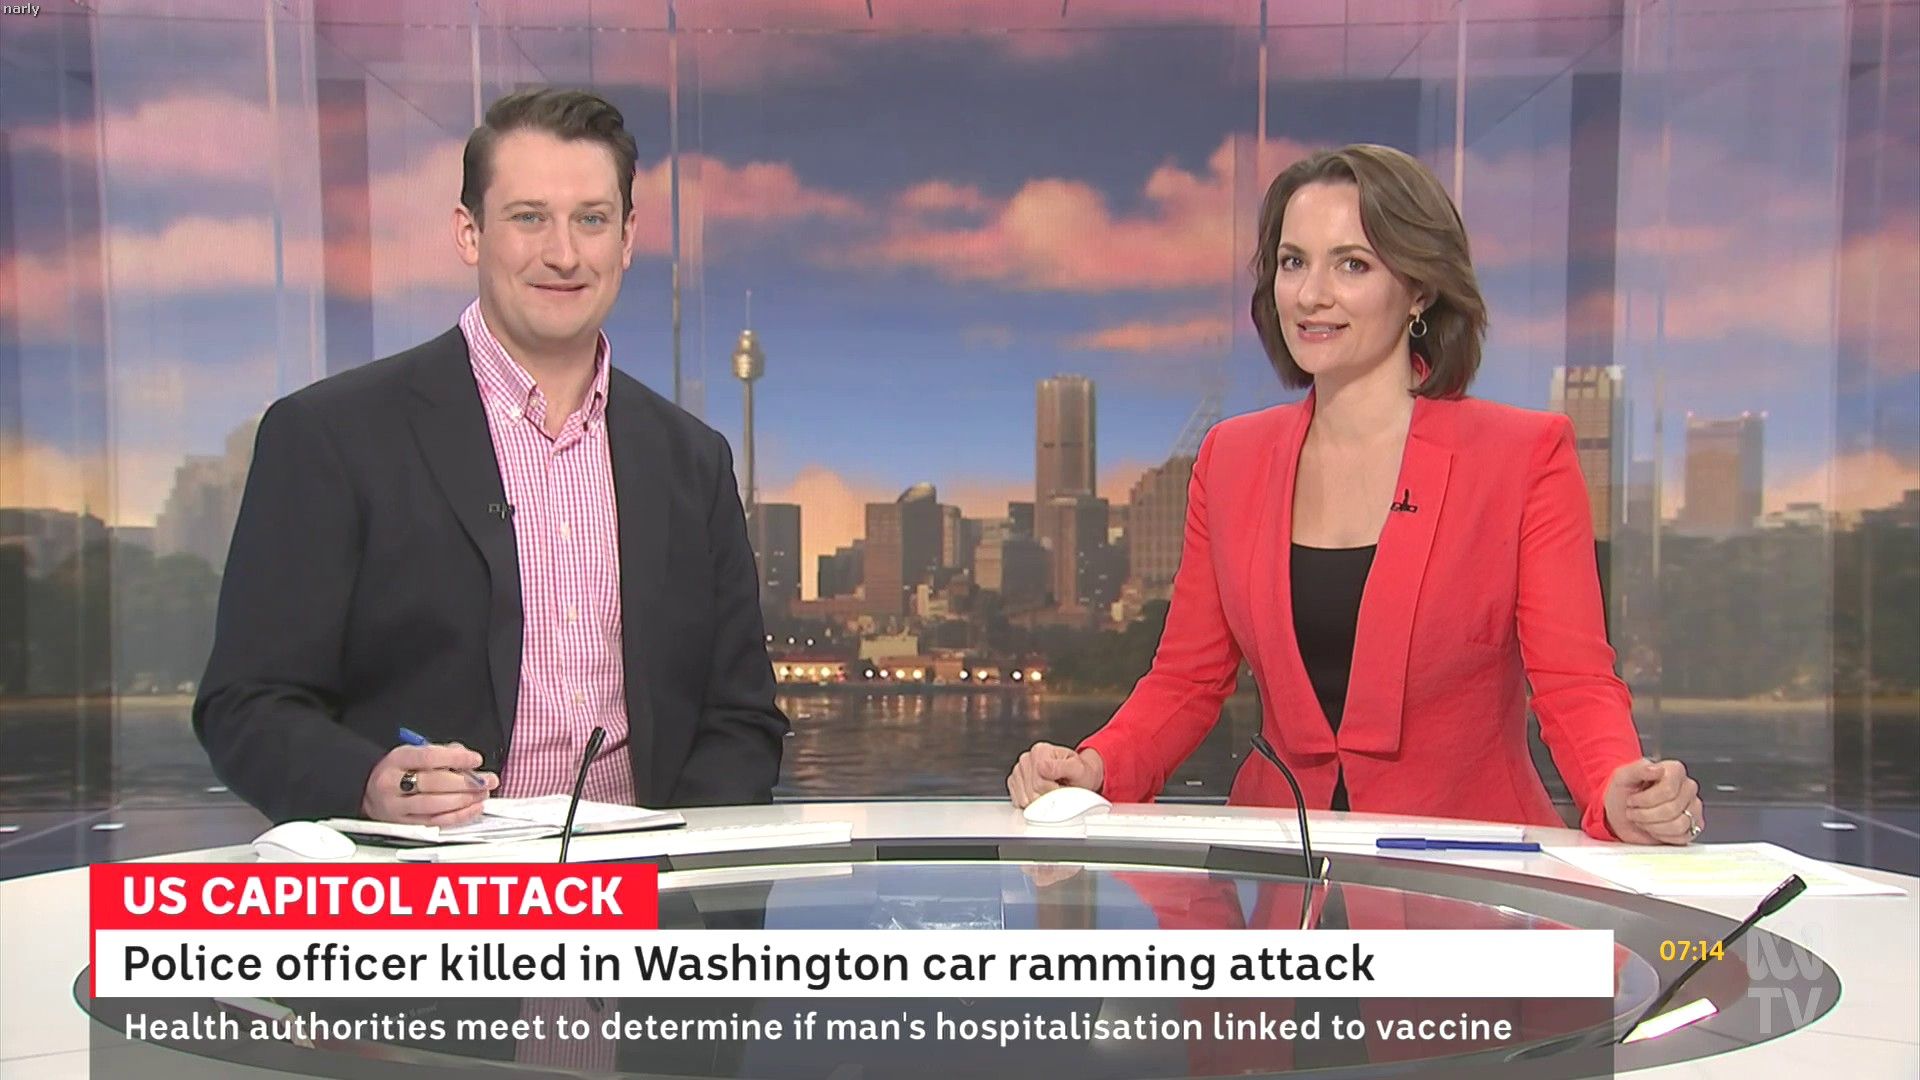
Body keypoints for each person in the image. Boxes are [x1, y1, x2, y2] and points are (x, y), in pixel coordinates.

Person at [1007, 144, 1700, 844]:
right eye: (1293, 262)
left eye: (1352, 265)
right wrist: (1095, 766)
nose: (1312, 295)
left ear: (1419, 289)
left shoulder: (1523, 456)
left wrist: (1616, 790)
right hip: (1280, 868)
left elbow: (1574, 681)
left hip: (1472, 871)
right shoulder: (1230, 459)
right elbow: (1186, 682)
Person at [196, 88, 787, 825]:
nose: (563, 254)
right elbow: (246, 704)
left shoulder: (692, 461)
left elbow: (741, 718)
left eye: (592, 220)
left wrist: (671, 865)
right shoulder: (330, 436)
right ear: (469, 233)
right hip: (429, 886)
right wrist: (369, 785)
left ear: (628, 238)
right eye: (529, 217)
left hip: (643, 882)